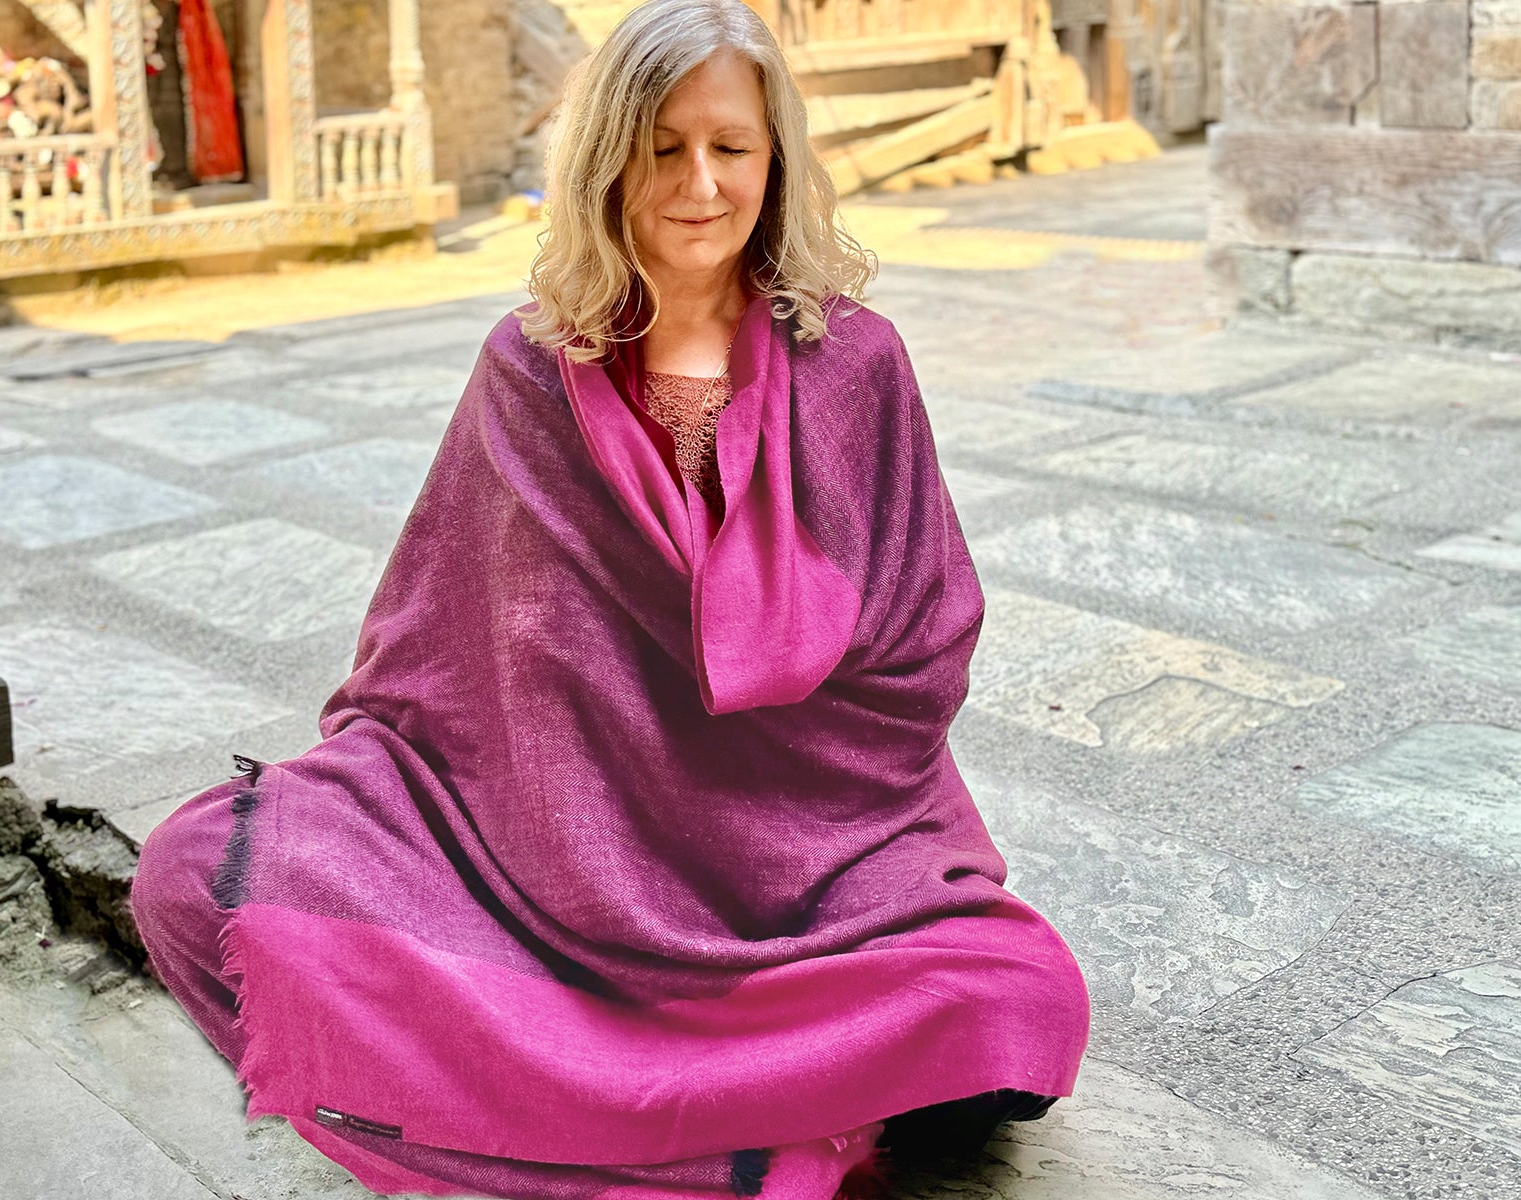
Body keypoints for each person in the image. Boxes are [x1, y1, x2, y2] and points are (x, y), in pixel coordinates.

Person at [130, 3, 1091, 1197]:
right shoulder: (532, 366)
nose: (698, 182)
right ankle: (740, 1105)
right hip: (552, 860)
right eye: (661, 145)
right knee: (194, 872)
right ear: (607, 160)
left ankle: (657, 1088)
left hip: (811, 850)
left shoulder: (856, 363)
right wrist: (575, 772)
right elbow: (433, 649)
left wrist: (774, 685)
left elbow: (921, 639)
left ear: (773, 160)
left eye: (730, 147)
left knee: (1017, 1012)